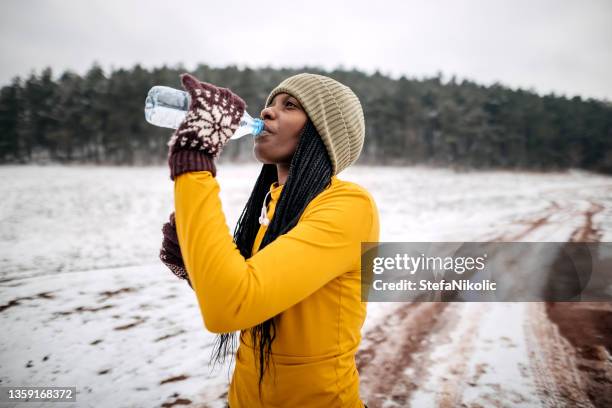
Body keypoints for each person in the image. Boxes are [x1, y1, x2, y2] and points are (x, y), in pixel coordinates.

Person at [159, 72, 379, 407]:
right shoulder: (271, 204)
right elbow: (248, 293)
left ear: (324, 131)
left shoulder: (349, 206)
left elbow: (231, 306)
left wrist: (195, 157)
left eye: (289, 105)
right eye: (269, 104)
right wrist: (198, 267)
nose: (266, 112)